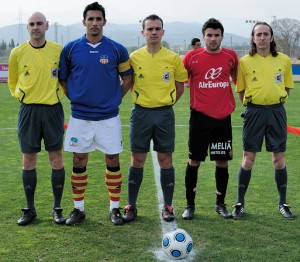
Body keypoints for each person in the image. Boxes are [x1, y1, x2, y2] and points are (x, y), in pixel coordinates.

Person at [59, 2, 132, 226]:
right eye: (90, 19)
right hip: (80, 117)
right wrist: (75, 97)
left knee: (112, 158)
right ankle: (78, 209)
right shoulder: (70, 49)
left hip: (108, 117)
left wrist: (114, 99)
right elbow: (62, 78)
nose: (94, 23)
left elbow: (128, 78)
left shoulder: (116, 49)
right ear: (84, 22)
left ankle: (114, 209)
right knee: (79, 160)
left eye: (98, 19)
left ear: (104, 22)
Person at [122, 14, 188, 223]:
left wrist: (165, 103)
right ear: (143, 33)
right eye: (149, 29)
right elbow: (128, 82)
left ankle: (167, 206)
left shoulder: (173, 58)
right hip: (140, 113)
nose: (153, 32)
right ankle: (131, 205)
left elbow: (180, 87)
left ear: (163, 32)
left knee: (165, 160)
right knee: (137, 159)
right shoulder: (134, 58)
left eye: (157, 29)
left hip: (164, 114)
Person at [232, 22, 295, 219]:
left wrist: (273, 101)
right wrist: (254, 106)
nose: (262, 38)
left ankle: (283, 203)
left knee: (278, 160)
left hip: (276, 112)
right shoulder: (245, 62)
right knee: (248, 159)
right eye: (258, 34)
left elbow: (287, 87)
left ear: (271, 37)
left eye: (265, 34)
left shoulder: (284, 60)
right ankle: (240, 203)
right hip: (254, 113)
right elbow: (241, 91)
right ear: (253, 38)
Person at [8, 12, 66, 226]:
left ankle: (57, 208)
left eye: (39, 23)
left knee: (56, 159)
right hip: (28, 111)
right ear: (27, 28)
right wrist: (19, 95)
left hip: (52, 110)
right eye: (31, 24)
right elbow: (13, 81)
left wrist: (57, 94)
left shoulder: (58, 51)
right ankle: (30, 209)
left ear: (47, 26)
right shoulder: (17, 52)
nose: (35, 27)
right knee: (28, 160)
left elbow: (65, 77)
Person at [182, 18, 238, 220]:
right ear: (203, 36)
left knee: (222, 162)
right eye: (209, 35)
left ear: (222, 36)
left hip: (223, 117)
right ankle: (190, 205)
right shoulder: (191, 57)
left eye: (217, 35)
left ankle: (220, 204)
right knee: (194, 160)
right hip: (199, 117)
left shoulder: (231, 57)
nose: (213, 39)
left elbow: (237, 77)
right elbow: (181, 79)